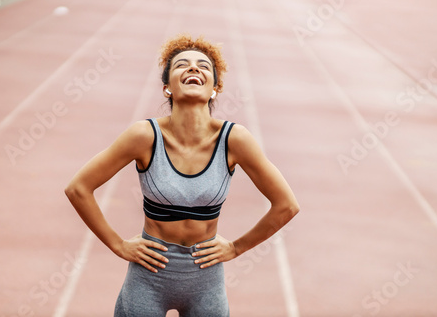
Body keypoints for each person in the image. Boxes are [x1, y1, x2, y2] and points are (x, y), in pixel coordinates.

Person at [65, 34, 300, 317]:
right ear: (167, 88)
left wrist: (237, 248)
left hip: (205, 282)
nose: (193, 68)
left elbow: (286, 205)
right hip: (148, 278)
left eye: (203, 66)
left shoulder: (234, 139)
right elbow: (78, 188)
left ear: (215, 87)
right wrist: (118, 245)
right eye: (182, 65)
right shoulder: (144, 136)